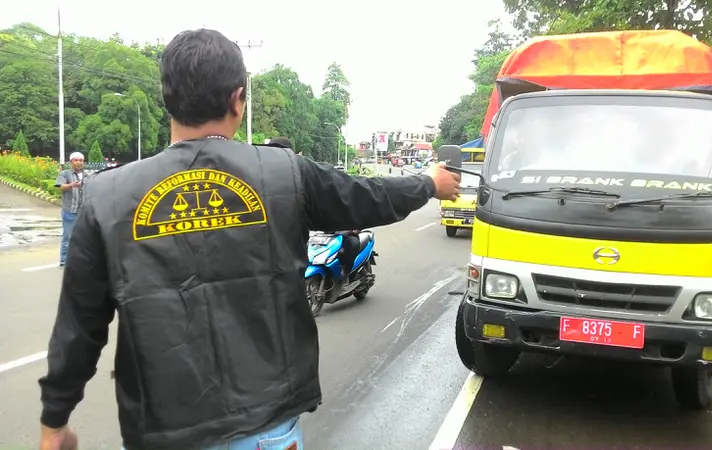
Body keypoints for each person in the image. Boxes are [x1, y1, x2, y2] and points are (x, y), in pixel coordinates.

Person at [37, 28, 460, 450]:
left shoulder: (108, 195)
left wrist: (55, 422)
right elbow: (367, 196)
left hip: (162, 430)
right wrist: (428, 182)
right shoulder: (285, 173)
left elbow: (79, 323)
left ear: (166, 98)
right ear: (238, 100)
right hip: (265, 427)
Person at [54, 152, 86, 268]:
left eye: (81, 160)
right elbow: (60, 186)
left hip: (83, 212)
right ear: (71, 162)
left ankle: (79, 260)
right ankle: (64, 261)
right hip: (70, 211)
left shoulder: (86, 175)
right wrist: (70, 185)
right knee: (68, 237)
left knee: (83, 237)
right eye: (76, 160)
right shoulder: (65, 174)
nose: (79, 162)